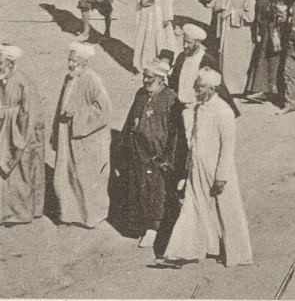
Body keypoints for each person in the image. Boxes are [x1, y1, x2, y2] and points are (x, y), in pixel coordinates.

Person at [164, 67, 253, 266]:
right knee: (192, 206)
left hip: (217, 171)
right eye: (195, 87)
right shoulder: (197, 108)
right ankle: (181, 252)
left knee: (226, 211)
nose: (196, 91)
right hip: (197, 168)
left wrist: (221, 176)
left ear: (212, 89)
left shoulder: (224, 111)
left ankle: (237, 253)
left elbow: (227, 147)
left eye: (200, 88)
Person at [119, 57, 180, 247]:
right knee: (138, 188)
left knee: (156, 192)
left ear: (161, 79)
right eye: (144, 77)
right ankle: (138, 224)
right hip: (138, 151)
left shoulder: (170, 98)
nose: (145, 81)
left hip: (157, 155)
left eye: (149, 78)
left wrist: (168, 157)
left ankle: (153, 228)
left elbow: (175, 133)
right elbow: (130, 121)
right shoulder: (141, 94)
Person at [51, 42, 112, 228]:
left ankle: (90, 217)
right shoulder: (69, 78)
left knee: (85, 178)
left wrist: (77, 115)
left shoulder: (93, 80)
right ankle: (68, 213)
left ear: (84, 63)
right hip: (66, 136)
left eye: (74, 61)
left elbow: (105, 110)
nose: (70, 64)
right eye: (69, 60)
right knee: (67, 174)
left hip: (86, 138)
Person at [0, 45, 46, 225]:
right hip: (5, 132)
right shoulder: (3, 78)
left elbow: (29, 115)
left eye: (1, 63)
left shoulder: (23, 82)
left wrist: (7, 116)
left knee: (21, 173)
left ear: (11, 64)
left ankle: (21, 213)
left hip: (21, 134)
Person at [169, 23, 239, 116]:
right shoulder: (181, 57)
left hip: (198, 108)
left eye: (189, 42)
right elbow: (174, 81)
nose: (185, 46)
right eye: (184, 42)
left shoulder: (207, 59)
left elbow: (218, 86)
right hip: (180, 107)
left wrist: (229, 109)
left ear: (198, 42)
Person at [211, 0, 256, 96]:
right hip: (227, 32)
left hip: (239, 33)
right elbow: (217, 7)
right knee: (225, 59)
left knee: (237, 61)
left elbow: (250, 17)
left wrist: (233, 13)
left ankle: (236, 90)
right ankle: (225, 87)